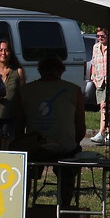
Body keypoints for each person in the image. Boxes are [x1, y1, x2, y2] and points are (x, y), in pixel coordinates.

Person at [15, 55, 86, 206]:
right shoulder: (74, 90)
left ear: (40, 71)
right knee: (68, 172)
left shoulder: (26, 90)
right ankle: (65, 207)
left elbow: (19, 125)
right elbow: (80, 126)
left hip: (35, 148)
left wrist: (23, 144)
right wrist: (74, 143)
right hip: (65, 148)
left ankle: (22, 207)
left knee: (25, 173)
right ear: (61, 71)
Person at [0, 39, 27, 145]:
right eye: (0, 50)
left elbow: (23, 94)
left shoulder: (17, 71)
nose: (3, 53)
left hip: (11, 116)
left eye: (6, 50)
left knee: (9, 144)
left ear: (10, 53)